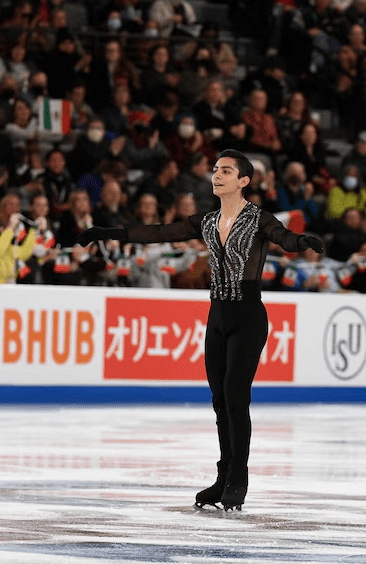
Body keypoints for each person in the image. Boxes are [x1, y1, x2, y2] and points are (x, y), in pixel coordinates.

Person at [74, 149, 323, 511]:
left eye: (226, 171)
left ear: (243, 181)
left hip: (248, 317)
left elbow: (283, 237)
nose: (217, 175)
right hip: (217, 317)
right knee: (220, 401)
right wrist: (108, 231)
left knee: (237, 397)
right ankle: (223, 477)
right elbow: (158, 232)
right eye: (215, 169)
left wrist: (302, 241)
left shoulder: (258, 219)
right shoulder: (206, 222)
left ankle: (239, 478)